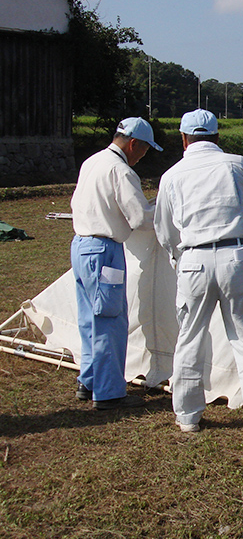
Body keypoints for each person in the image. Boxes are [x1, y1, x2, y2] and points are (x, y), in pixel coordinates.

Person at [154, 109, 243, 446]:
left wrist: (179, 259)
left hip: (192, 260)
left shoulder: (171, 175)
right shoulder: (239, 164)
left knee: (190, 337)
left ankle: (187, 415)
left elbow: (164, 229)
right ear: (217, 136)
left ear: (184, 139)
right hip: (236, 255)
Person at [70, 117, 162, 409]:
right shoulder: (121, 171)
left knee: (90, 319)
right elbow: (140, 218)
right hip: (104, 252)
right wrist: (162, 210)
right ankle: (109, 393)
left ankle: (89, 380)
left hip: (81, 246)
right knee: (110, 320)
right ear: (134, 144)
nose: (143, 155)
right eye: (145, 149)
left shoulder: (93, 162)